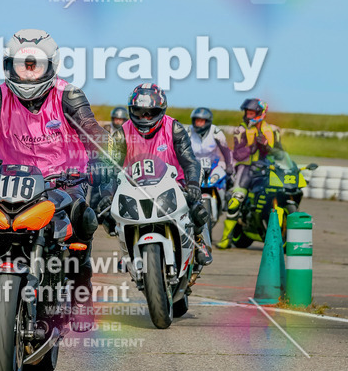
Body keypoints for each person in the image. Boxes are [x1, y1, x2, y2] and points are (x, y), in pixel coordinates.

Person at [0, 29, 107, 321]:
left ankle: (81, 288)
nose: (28, 72)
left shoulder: (68, 95)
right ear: (9, 65)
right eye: (22, 64)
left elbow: (91, 128)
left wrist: (109, 152)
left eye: (36, 65)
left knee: (83, 217)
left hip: (60, 182)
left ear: (50, 66)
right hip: (8, 182)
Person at [104, 84, 212, 265]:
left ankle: (199, 240)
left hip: (174, 183)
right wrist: (107, 195)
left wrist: (193, 183)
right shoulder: (121, 134)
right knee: (109, 216)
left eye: (150, 112)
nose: (144, 117)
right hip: (135, 187)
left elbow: (189, 160)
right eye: (139, 112)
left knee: (196, 207)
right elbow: (109, 169)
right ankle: (127, 250)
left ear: (160, 110)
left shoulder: (174, 128)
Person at [218, 98, 280, 249]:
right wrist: (252, 146)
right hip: (246, 169)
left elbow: (280, 152)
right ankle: (226, 238)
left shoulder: (273, 130)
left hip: (267, 168)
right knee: (236, 200)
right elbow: (238, 154)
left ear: (260, 113)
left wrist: (267, 147)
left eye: (252, 113)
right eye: (247, 113)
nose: (248, 116)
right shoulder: (241, 130)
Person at [188, 107, 234, 178]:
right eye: (197, 121)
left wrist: (229, 165)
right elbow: (179, 150)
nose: (199, 124)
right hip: (193, 165)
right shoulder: (188, 131)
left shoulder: (215, 131)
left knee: (226, 175)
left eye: (201, 121)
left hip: (214, 164)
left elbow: (226, 150)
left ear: (207, 121)